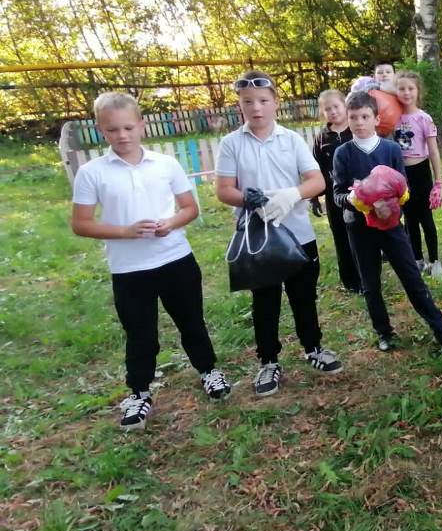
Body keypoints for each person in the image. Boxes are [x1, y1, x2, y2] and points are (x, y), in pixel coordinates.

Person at [71, 92, 231, 430]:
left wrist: (171, 223)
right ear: (101, 131)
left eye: (128, 127)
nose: (122, 135)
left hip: (175, 259)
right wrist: (125, 231)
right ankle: (139, 392)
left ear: (142, 125)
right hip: (129, 270)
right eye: (113, 130)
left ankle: (209, 371)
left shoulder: (166, 164)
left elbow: (190, 207)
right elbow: (81, 223)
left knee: (192, 322)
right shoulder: (92, 173)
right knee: (140, 333)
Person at [215, 70, 343, 397]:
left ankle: (313, 348)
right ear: (240, 106)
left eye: (262, 101)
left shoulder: (291, 140)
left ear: (275, 103)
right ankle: (268, 361)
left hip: (298, 233)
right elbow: (224, 190)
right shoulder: (231, 144)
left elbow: (318, 182)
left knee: (304, 296)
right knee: (265, 300)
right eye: (248, 103)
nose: (256, 108)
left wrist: (291, 195)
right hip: (259, 240)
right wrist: (248, 199)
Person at [332, 91, 442, 354]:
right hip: (359, 228)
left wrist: (392, 201)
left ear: (377, 118)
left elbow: (404, 188)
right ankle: (384, 332)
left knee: (412, 278)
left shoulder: (390, 149)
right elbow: (336, 195)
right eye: (353, 117)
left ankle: (441, 331)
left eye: (365, 116)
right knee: (371, 283)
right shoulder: (342, 153)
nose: (359, 122)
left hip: (391, 226)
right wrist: (359, 198)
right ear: (347, 118)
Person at [393, 70, 442, 277]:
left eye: (411, 88)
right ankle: (417, 259)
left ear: (418, 91)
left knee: (425, 219)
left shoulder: (424, 118)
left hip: (421, 172)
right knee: (409, 220)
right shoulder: (391, 119)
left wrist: (438, 181)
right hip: (401, 174)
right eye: (401, 88)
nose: (406, 93)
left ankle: (435, 260)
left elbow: (433, 151)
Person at [310, 89, 362, 293]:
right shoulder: (322, 138)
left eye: (335, 106)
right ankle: (350, 281)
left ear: (345, 106)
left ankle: (366, 274)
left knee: (360, 235)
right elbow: (317, 169)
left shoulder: (356, 130)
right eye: (327, 109)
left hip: (360, 192)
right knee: (341, 236)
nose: (332, 111)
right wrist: (314, 197)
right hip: (335, 196)